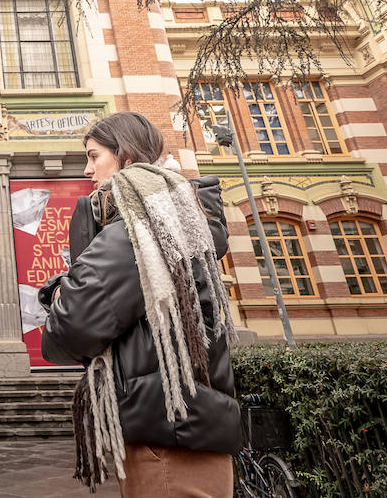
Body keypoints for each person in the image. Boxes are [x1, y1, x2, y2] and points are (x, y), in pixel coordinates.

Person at [41, 112, 239, 497]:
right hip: (192, 423)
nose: (87, 169)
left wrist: (58, 294)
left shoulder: (137, 228)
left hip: (164, 434)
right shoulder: (179, 218)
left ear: (126, 157)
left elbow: (70, 329)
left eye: (94, 156)